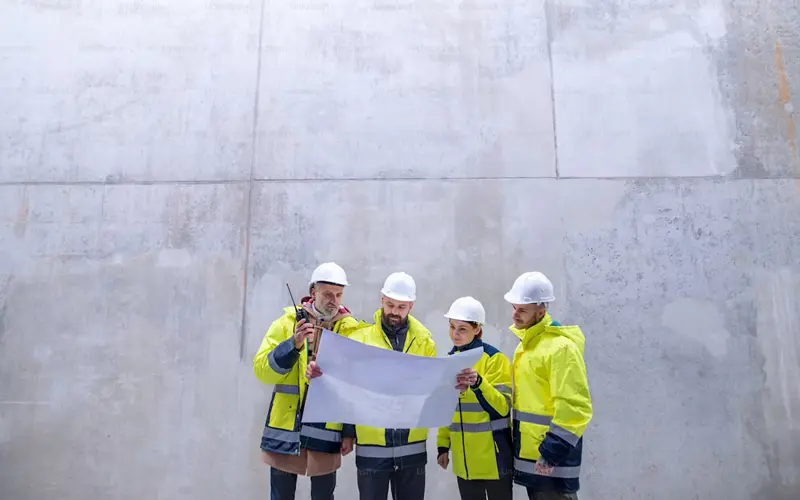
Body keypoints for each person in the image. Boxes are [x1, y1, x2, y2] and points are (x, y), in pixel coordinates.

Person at [306, 271, 436, 500]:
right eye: (390, 304)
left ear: (411, 306)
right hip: (372, 448)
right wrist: (348, 432)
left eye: (401, 307)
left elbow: (431, 387)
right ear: (381, 300)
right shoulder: (361, 339)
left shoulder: (425, 341)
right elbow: (347, 390)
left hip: (412, 448)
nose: (394, 312)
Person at [253, 262, 362, 500]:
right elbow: (262, 370)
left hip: (327, 431)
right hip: (286, 430)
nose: (334, 300)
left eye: (339, 294)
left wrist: (348, 431)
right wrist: (294, 345)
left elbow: (353, 387)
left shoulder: (351, 331)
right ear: (313, 292)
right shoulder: (286, 324)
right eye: (327, 294)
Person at [503, 271, 593, 500]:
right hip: (535, 457)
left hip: (552, 461)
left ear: (541, 312)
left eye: (522, 310)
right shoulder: (528, 346)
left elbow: (575, 407)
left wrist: (551, 453)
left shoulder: (561, 349)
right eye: (514, 307)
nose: (515, 314)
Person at [437, 296, 514, 500]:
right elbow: (446, 408)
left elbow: (502, 407)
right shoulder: (448, 362)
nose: (455, 334)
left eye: (462, 329)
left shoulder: (495, 360)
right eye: (452, 327)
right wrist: (442, 445)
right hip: (464, 463)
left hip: (495, 460)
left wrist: (479, 383)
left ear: (477, 329)